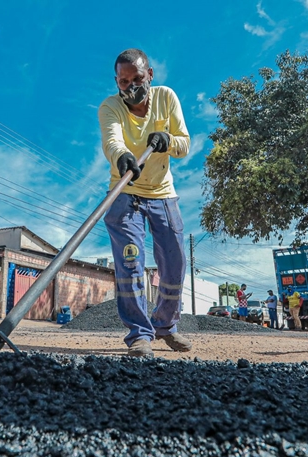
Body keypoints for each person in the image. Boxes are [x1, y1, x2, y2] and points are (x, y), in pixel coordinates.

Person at [99, 48, 192, 358]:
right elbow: (112, 141)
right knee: (130, 261)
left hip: (162, 191)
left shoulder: (166, 98)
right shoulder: (110, 107)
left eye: (137, 78)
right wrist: (122, 156)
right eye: (124, 82)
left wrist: (167, 140)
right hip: (125, 192)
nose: (131, 87)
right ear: (117, 82)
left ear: (150, 75)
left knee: (175, 261)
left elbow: (184, 143)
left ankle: (165, 326)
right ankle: (140, 334)